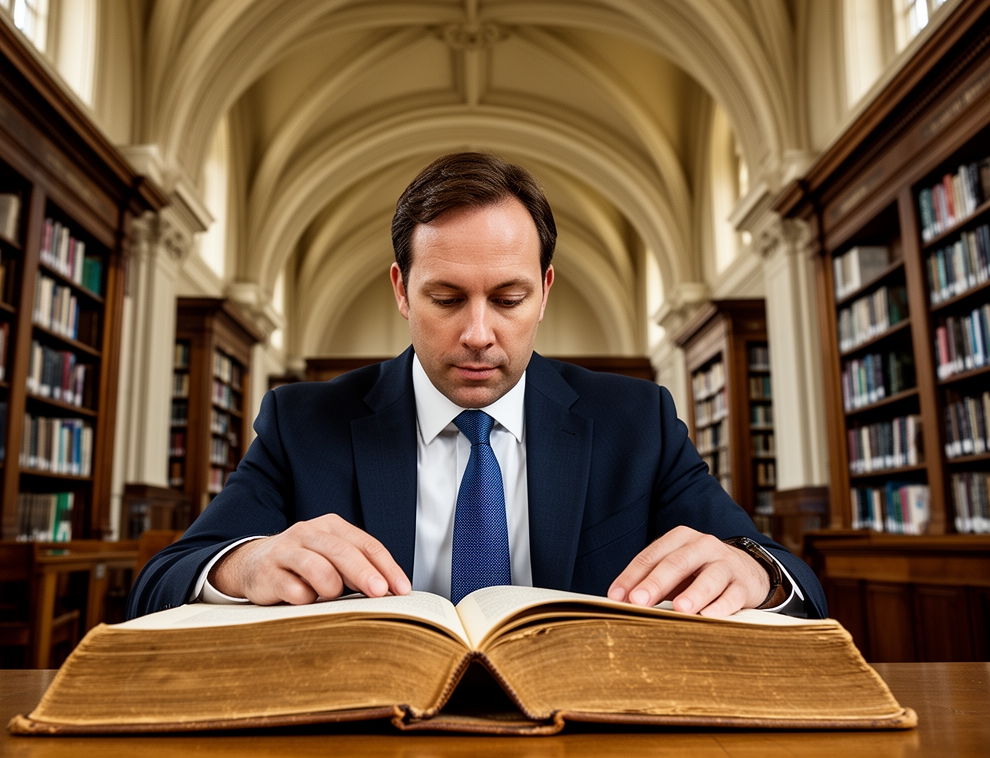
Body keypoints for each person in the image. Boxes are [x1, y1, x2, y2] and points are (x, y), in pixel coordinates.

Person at [128, 152, 826, 620]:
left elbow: (801, 588)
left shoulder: (636, 420)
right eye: (447, 298)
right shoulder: (302, 421)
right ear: (401, 290)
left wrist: (754, 574)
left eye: (509, 298)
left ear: (545, 292)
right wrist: (242, 565)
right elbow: (158, 584)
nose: (478, 333)